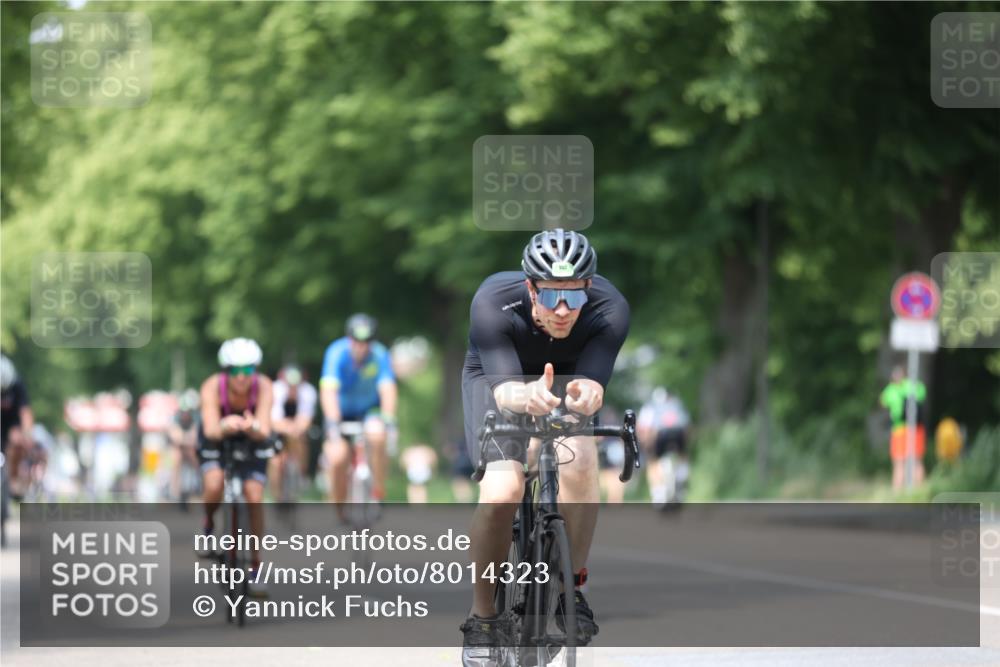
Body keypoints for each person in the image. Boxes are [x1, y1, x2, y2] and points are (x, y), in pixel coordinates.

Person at [459, 228, 629, 661]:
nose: (562, 309)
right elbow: (505, 393)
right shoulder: (493, 302)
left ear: (588, 287)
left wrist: (589, 394)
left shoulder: (610, 310)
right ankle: (483, 619)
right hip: (498, 379)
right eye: (551, 295)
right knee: (503, 491)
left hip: (565, 378)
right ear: (531, 287)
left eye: (574, 296)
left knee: (581, 458)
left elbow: (593, 383)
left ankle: (571, 591)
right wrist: (525, 395)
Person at [196, 338, 273, 597]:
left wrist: (253, 427)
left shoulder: (264, 386)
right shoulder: (211, 386)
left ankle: (256, 566)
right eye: (235, 371)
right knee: (214, 483)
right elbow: (210, 429)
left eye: (247, 370)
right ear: (226, 371)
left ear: (255, 370)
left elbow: (264, 429)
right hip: (218, 438)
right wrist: (225, 424)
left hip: (251, 440)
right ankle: (208, 525)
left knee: (255, 495)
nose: (241, 377)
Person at [320, 314, 398, 518]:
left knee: (377, 435)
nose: (361, 346)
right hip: (341, 412)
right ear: (349, 338)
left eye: (366, 341)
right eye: (356, 340)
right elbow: (328, 390)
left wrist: (389, 418)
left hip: (369, 410)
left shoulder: (380, 354)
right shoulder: (336, 352)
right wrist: (333, 422)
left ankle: (378, 492)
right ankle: (339, 510)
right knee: (337, 458)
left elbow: (387, 388)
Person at [268, 364, 317, 501]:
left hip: (296, 431)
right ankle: (277, 496)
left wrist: (294, 429)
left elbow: (305, 419)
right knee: (275, 462)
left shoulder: (307, 392)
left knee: (301, 439)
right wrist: (290, 428)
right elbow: (274, 421)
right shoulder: (276, 390)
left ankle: (301, 472)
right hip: (279, 431)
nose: (292, 388)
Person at [637, 387, 691, 507]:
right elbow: (687, 425)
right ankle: (681, 476)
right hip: (679, 432)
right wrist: (686, 444)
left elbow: (645, 427)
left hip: (660, 434)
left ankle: (658, 493)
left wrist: (646, 444)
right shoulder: (676, 404)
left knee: (652, 461)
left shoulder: (650, 406)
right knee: (682, 456)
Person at [879, 365, 926, 489]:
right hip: (916, 428)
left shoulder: (891, 390)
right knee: (916, 460)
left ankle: (898, 491)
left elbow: (883, 402)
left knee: (899, 462)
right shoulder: (912, 385)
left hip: (900, 429)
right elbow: (922, 394)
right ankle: (919, 490)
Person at [1, 354, 36, 500]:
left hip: (12, 424)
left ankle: (13, 479)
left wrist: (27, 435)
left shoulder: (17, 385)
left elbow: (25, 412)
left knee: (17, 441)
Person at [167, 389, 201, 503]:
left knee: (196, 460)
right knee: (176, 459)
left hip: (190, 447)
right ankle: (174, 491)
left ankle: (199, 487)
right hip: (179, 447)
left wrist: (186, 440)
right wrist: (185, 439)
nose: (185, 414)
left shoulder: (196, 418)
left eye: (188, 412)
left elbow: (194, 436)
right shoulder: (175, 418)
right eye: (183, 412)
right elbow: (176, 436)